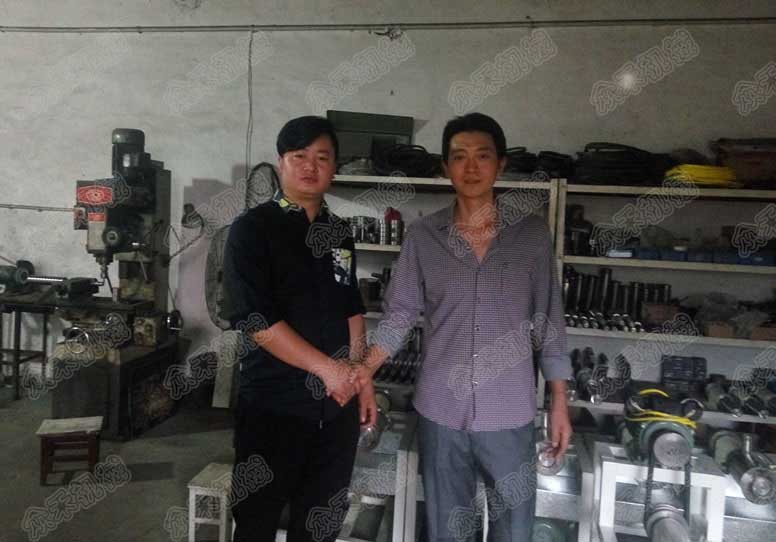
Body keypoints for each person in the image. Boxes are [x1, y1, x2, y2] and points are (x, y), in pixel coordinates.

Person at [356, 113, 572, 542]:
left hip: (509, 412)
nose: (471, 167)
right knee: (448, 531)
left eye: (482, 156)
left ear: (501, 165)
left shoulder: (531, 237)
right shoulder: (423, 237)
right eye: (459, 157)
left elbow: (549, 321)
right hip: (442, 411)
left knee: (514, 531)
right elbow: (399, 315)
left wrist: (559, 402)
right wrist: (363, 371)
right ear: (445, 167)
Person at [224, 116, 376, 542]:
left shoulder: (338, 234)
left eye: (322, 158)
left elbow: (351, 308)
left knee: (320, 524)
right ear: (281, 163)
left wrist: (361, 378)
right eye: (299, 156)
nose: (311, 166)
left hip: (335, 410)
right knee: (256, 523)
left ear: (334, 168)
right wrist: (327, 369)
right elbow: (256, 320)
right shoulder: (253, 229)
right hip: (274, 408)